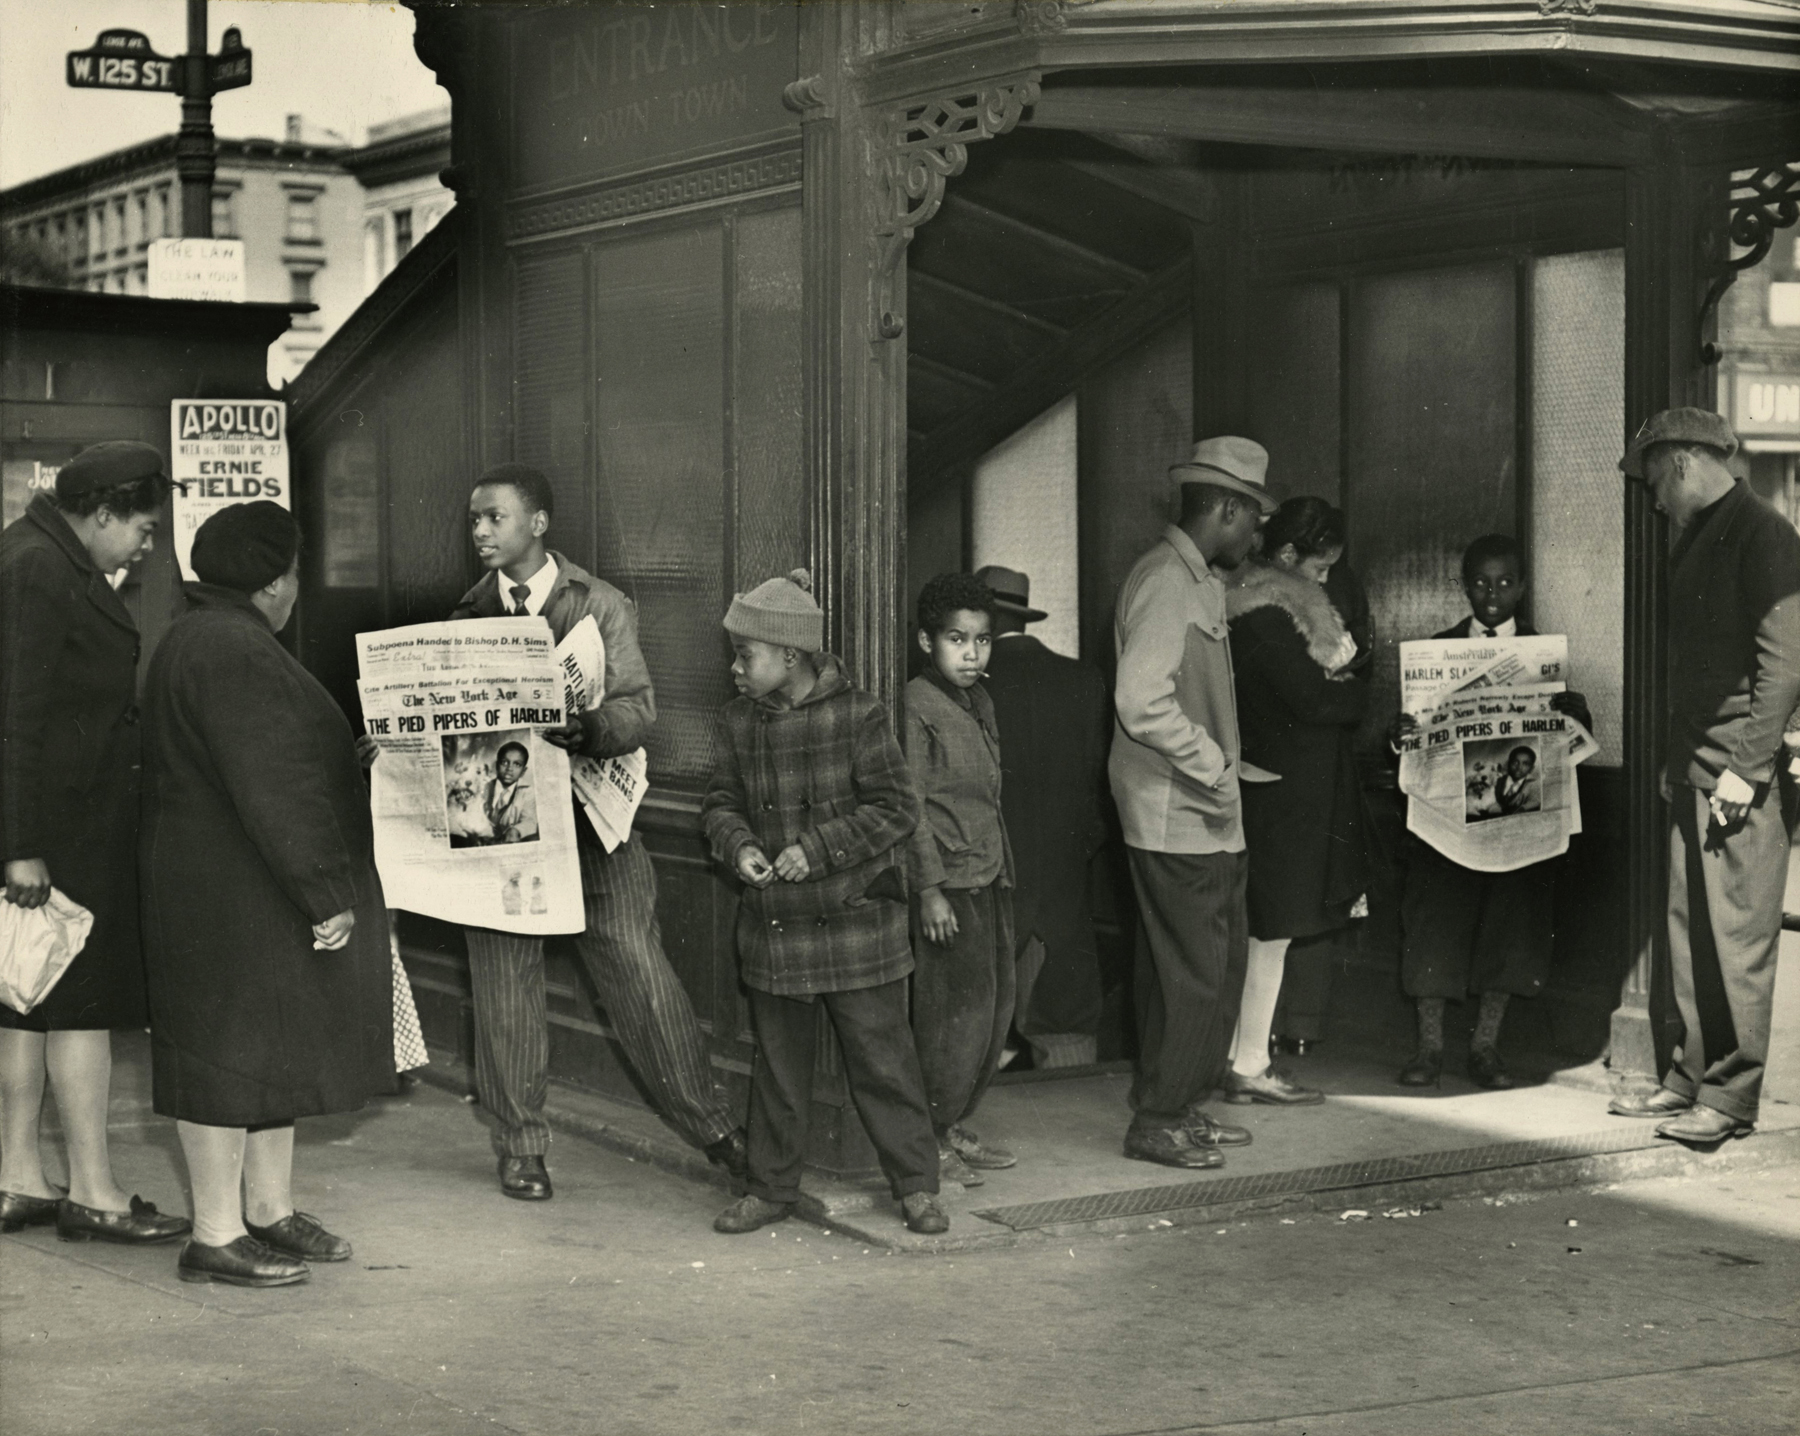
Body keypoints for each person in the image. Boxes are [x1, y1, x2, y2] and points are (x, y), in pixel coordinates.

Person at [451, 464, 742, 1200]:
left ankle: (713, 1128)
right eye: (475, 521)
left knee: (639, 971)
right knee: (505, 987)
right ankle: (522, 1147)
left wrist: (590, 728)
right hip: (503, 828)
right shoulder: (465, 616)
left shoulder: (600, 604)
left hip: (592, 823)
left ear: (538, 524)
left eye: (494, 517)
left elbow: (640, 707)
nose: (480, 531)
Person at [141, 501, 394, 1287]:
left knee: (262, 1050)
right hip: (240, 889)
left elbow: (259, 759)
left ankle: (268, 1211)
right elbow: (272, 784)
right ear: (275, 582)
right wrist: (325, 891)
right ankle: (216, 1235)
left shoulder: (199, 636)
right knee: (225, 1058)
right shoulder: (236, 650)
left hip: (220, 883)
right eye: (293, 574)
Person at [700, 571, 947, 1236]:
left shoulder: (859, 715)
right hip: (777, 926)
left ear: (789, 656)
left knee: (883, 1060)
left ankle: (917, 1186)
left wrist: (819, 848)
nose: (735, 668)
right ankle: (770, 1188)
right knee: (778, 1070)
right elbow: (720, 802)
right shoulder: (735, 723)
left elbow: (898, 807)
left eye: (745, 655)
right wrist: (739, 845)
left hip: (856, 920)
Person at [0, 440, 190, 1246]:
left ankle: (18, 1176)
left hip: (49, 824)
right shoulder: (44, 568)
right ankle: (94, 1191)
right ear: (103, 512)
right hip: (64, 826)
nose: (147, 546)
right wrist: (20, 845)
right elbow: (16, 711)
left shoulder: (30, 550)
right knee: (80, 1007)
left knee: (24, 995)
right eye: (142, 529)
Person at [1609, 409, 1800, 1144]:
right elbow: (1697, 670)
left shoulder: (1765, 535)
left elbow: (1783, 668)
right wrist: (1675, 763)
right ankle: (1688, 1079)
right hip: (1697, 767)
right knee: (1689, 935)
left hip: (1739, 776)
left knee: (1739, 940)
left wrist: (1743, 774)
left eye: (1655, 480)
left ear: (1685, 463)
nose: (1653, 498)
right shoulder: (1702, 537)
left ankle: (1731, 1097)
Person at [1109, 436, 1273, 1169]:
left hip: (1200, 810)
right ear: (1228, 508)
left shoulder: (1196, 579)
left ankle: (1176, 1103)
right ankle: (1160, 1119)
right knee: (1197, 972)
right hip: (1178, 812)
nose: (1257, 535)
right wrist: (1214, 767)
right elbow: (1139, 701)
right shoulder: (1166, 582)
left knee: (1201, 967)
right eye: (1254, 519)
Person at [1390, 533, 1592, 1091]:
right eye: (1480, 583)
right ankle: (1429, 1048)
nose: (1492, 594)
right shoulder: (1437, 651)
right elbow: (1410, 740)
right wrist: (1400, 734)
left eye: (1505, 583)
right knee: (1434, 921)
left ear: (1522, 587)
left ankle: (1486, 1047)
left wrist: (1575, 716)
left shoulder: (1542, 655)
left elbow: (1568, 741)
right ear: (1464, 586)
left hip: (1516, 822)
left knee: (1512, 926)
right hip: (1447, 818)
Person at [1223, 497, 1368, 1107]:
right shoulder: (1264, 613)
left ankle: (1241, 1057)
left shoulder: (1258, 600)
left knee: (1268, 932)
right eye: (1319, 567)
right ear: (1286, 555)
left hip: (1283, 790)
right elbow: (1316, 700)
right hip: (1284, 795)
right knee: (1271, 933)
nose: (1325, 578)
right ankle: (1247, 1064)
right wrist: (1352, 688)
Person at [904, 573, 1018, 1187]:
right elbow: (911, 805)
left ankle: (950, 1126)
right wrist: (928, 889)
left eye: (983, 640)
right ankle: (929, 1135)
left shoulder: (979, 702)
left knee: (992, 1012)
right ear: (927, 641)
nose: (972, 654)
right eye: (956, 639)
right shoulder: (914, 705)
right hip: (948, 887)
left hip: (989, 877)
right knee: (951, 1018)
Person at [975, 565, 1110, 1071]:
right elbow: (1102, 794)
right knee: (1066, 1026)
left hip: (988, 883)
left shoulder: (961, 689)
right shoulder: (1083, 679)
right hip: (1064, 886)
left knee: (972, 1028)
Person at [484, 741, 538, 843]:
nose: (509, 768)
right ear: (497, 765)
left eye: (517, 764)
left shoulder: (527, 792)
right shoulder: (485, 787)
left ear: (523, 771)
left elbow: (529, 821)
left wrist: (517, 830)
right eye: (504, 762)